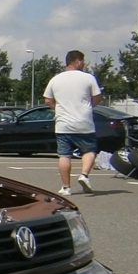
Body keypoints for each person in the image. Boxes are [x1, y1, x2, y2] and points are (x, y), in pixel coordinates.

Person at [43, 49, 102, 195]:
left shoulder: (55, 79)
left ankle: (66, 187)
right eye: (83, 61)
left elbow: (48, 100)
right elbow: (97, 97)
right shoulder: (88, 78)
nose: (84, 64)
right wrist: (89, 106)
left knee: (64, 155)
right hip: (83, 122)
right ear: (77, 61)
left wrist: (58, 108)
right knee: (89, 150)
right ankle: (84, 175)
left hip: (63, 124)